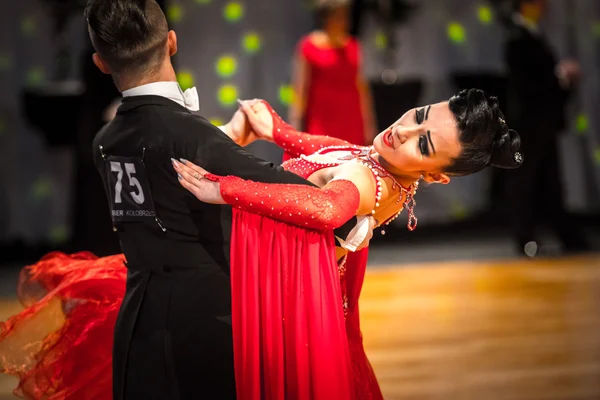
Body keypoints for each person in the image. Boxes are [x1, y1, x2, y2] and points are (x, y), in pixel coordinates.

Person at [0, 0, 364, 399]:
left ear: (101, 63)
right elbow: (303, 199)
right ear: (172, 42)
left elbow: (160, 165)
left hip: (137, 328)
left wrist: (223, 138)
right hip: (209, 328)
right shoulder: (191, 137)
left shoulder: (105, 144)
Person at [173, 89, 523, 399]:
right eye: (419, 116)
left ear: (434, 175)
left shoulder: (368, 181)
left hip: (273, 292)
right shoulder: (384, 164)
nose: (402, 131)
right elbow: (330, 150)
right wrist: (277, 131)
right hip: (283, 285)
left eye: (423, 143)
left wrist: (225, 189)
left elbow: (327, 208)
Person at [504, 0, 590, 255]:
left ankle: (565, 236)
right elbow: (528, 86)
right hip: (530, 124)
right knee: (528, 181)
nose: (544, 7)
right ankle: (527, 238)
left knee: (548, 181)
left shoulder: (530, 35)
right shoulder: (517, 38)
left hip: (541, 122)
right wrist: (559, 78)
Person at [289, 0, 377, 152]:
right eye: (338, 16)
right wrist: (295, 125)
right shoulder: (309, 46)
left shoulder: (353, 45)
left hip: (351, 120)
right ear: (326, 18)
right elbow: (301, 89)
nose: (343, 21)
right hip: (321, 120)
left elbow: (361, 87)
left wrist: (369, 124)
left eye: (345, 16)